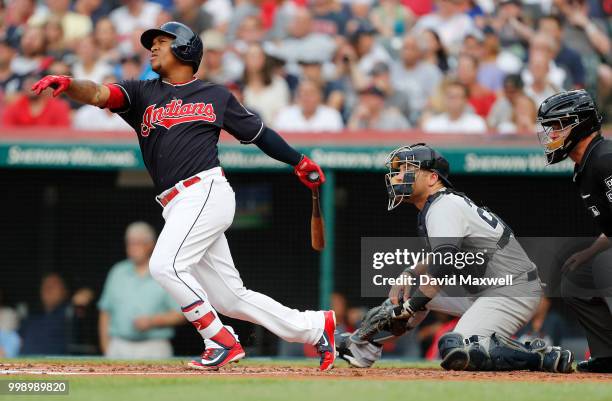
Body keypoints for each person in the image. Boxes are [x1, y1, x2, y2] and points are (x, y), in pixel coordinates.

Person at [31, 21, 336, 371]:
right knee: (230, 298)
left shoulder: (215, 96)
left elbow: (260, 134)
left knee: (164, 266)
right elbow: (100, 94)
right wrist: (70, 85)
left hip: (204, 191)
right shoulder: (143, 92)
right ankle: (315, 328)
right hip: (176, 204)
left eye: (162, 41)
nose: (153, 48)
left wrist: (298, 160)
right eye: (153, 43)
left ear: (186, 49)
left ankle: (220, 339)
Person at [334, 144, 573, 373]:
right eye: (399, 170)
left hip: (512, 289)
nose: (399, 176)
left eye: (409, 169)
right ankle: (363, 347)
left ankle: (540, 356)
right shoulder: (441, 204)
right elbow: (443, 256)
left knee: (457, 348)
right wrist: (410, 273)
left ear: (432, 178)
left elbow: (444, 262)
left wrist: (411, 307)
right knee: (409, 292)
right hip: (485, 289)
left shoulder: (443, 206)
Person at [536, 89, 612, 373]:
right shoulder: (587, 164)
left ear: (579, 124)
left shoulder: (605, 159)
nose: (551, 135)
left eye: (557, 126)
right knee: (577, 275)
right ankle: (608, 356)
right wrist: (590, 252)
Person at [98, 222, 184, 359]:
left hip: (155, 347)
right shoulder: (117, 272)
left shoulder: (164, 273)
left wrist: (152, 321)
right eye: (130, 243)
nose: (133, 248)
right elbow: (105, 311)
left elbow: (182, 314)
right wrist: (106, 347)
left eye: (138, 243)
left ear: (151, 245)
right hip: (118, 346)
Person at [273, 79, 343, 132]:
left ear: (320, 96)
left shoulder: (332, 115)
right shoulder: (285, 114)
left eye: (311, 93)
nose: (307, 97)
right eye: (303, 93)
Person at [422, 81, 487, 134]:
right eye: (451, 97)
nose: (454, 101)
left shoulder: (477, 124)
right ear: (444, 99)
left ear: (465, 100)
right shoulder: (433, 125)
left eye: (458, 97)